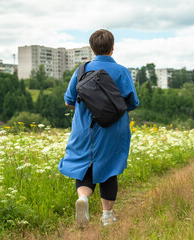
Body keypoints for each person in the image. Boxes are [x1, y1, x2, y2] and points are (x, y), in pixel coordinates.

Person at [59, 29, 139, 226]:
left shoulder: (81, 71)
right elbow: (133, 102)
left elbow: (70, 100)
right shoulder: (121, 71)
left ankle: (83, 199)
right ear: (112, 48)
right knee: (109, 168)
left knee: (84, 166)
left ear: (92, 48)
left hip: (84, 129)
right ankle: (107, 216)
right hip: (112, 129)